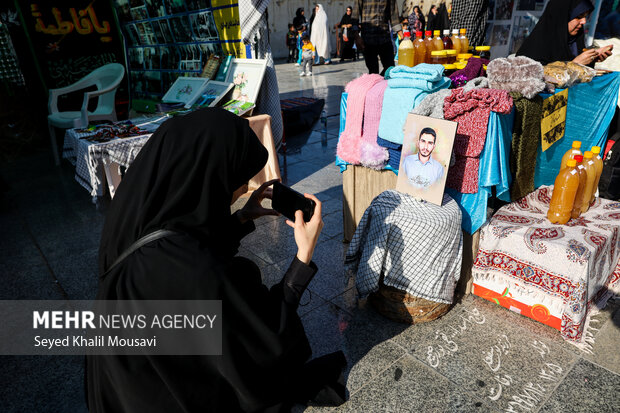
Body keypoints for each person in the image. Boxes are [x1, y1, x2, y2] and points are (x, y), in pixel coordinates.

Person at [86, 108, 347, 412]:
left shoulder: (134, 216)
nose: (240, 189)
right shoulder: (196, 274)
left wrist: (240, 219)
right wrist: (303, 257)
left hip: (118, 385)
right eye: (236, 179)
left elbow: (183, 238)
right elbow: (264, 342)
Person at [517, 0, 613, 65]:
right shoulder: (535, 48)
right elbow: (534, 80)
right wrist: (574, 65)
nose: (584, 21)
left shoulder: (575, 41)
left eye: (585, 17)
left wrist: (591, 59)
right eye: (578, 17)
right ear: (561, 18)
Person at [352, 0, 402, 75]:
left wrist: (401, 34)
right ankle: (376, 83)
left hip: (385, 37)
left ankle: (382, 83)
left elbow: (393, 14)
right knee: (373, 71)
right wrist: (356, 36)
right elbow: (355, 15)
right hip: (368, 39)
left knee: (390, 69)